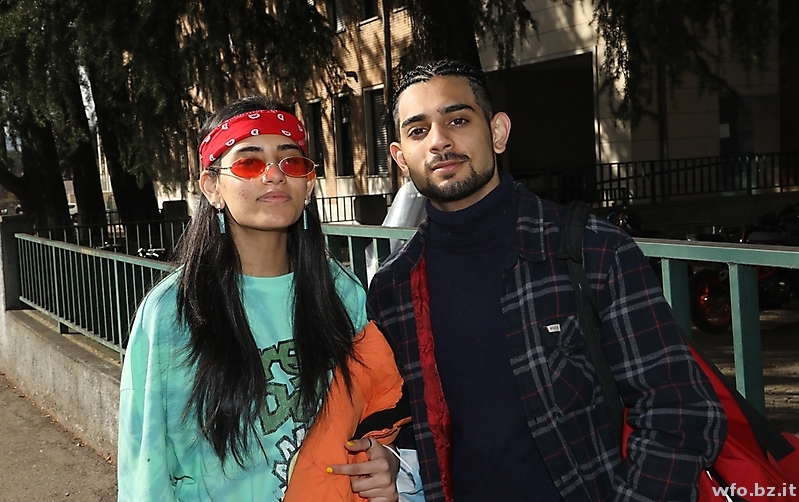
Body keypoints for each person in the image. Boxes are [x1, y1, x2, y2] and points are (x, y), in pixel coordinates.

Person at [367, 60, 727, 502]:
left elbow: (678, 410)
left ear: (498, 132)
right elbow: (408, 426)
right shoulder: (393, 289)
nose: (439, 140)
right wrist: (390, 459)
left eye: (457, 120)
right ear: (401, 158)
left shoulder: (593, 250)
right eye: (418, 130)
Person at [118, 96, 408, 502]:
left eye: (291, 162)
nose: (274, 175)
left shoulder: (343, 294)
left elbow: (375, 408)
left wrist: (387, 459)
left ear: (308, 185)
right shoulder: (173, 311)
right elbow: (144, 461)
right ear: (212, 187)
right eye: (249, 163)